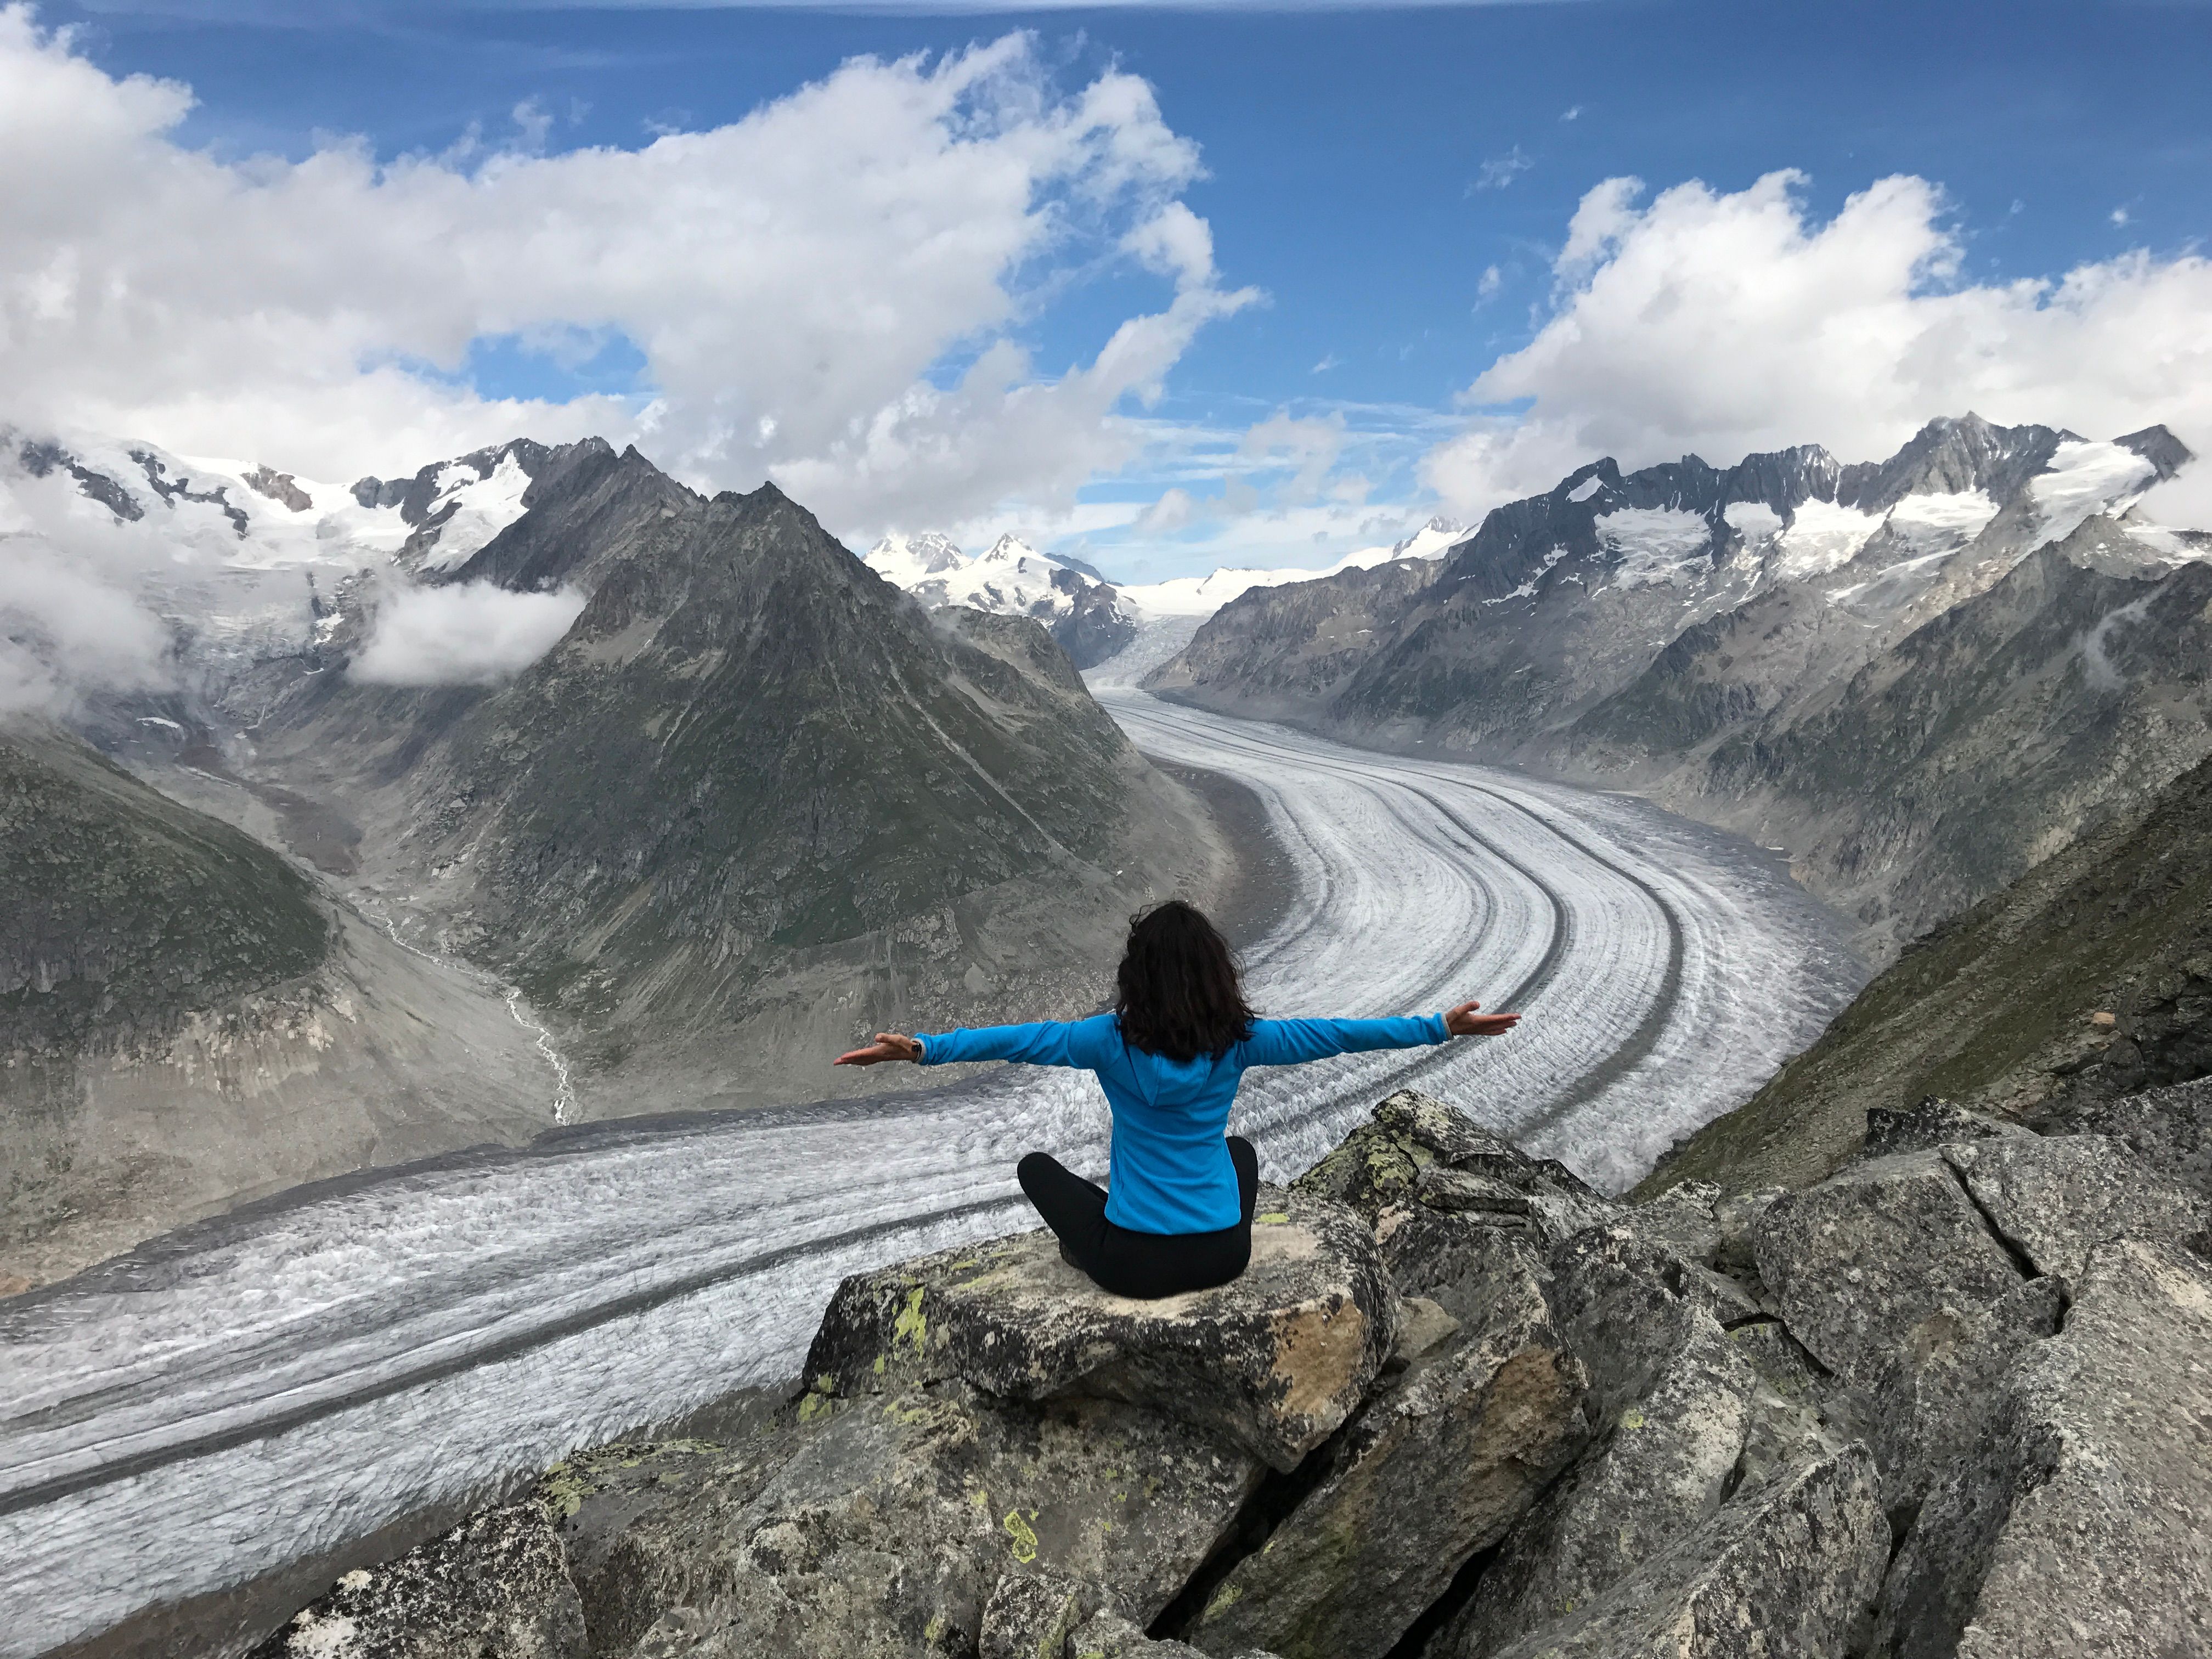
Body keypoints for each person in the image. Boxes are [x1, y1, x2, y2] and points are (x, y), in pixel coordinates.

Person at [834, 899, 1521, 1300]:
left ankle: (1089, 1248)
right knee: (1240, 1152)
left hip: (1135, 1266)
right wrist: (1439, 1027)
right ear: (1219, 976)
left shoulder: (1105, 1041)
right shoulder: (1241, 1039)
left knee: (1036, 1170)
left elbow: (1018, 1040)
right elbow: (1337, 1035)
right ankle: (1154, 1227)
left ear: (1135, 976)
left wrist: (923, 1048)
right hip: (1225, 1255)